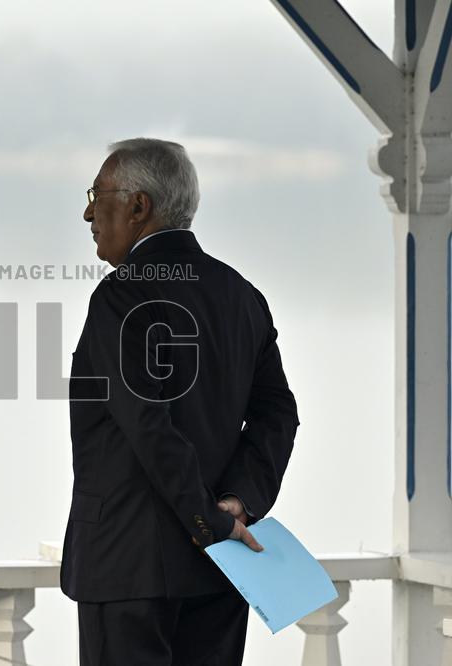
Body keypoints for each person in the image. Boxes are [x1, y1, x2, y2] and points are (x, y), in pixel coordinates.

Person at [62, 138, 298, 665]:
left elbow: (149, 426)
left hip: (128, 568)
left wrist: (205, 522)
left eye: (96, 195)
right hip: (222, 568)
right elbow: (277, 414)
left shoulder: (121, 295)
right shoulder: (241, 295)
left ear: (139, 205)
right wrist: (239, 499)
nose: (87, 212)